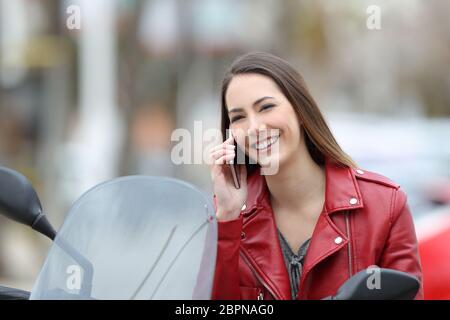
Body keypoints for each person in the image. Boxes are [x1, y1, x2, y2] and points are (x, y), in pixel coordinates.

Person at [208, 52, 423, 300]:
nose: (254, 128)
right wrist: (228, 219)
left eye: (266, 107)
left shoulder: (386, 205)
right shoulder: (223, 217)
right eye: (239, 117)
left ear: (299, 110)